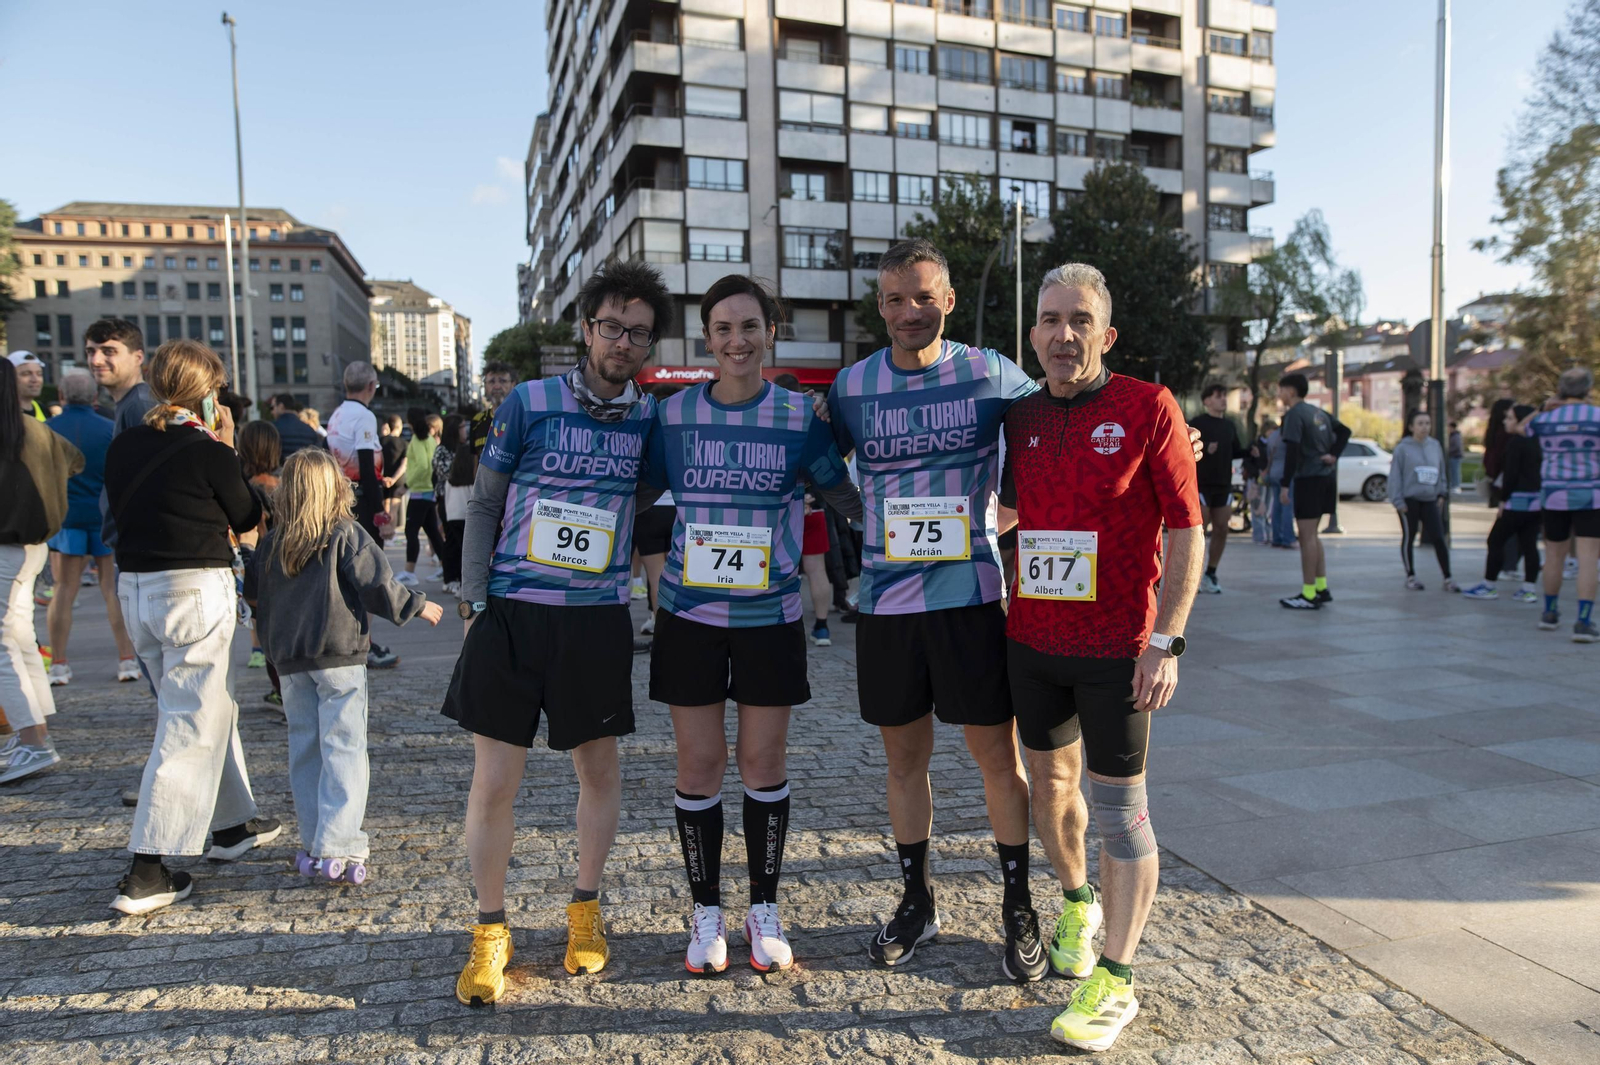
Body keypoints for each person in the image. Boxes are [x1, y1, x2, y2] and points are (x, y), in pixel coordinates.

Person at [823, 240, 1199, 976]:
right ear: (879, 305)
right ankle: (917, 899)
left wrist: (1178, 439)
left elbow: (1076, 399)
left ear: (950, 300)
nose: (910, 311)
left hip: (973, 603)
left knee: (1001, 761)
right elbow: (815, 457)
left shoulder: (995, 375)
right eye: (895, 299)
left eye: (924, 296)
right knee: (906, 761)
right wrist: (857, 515)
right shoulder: (851, 387)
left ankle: (1020, 902)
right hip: (890, 607)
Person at [445, 260, 671, 1005]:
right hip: (513, 612)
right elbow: (484, 504)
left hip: (595, 622)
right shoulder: (530, 404)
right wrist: (475, 601)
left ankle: (584, 909)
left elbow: (645, 515)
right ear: (586, 328)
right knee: (495, 783)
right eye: (612, 327)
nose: (623, 343)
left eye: (638, 333)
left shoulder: (648, 420)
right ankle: (490, 931)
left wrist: (656, 600)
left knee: (598, 774)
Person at [999, 263, 1203, 1051]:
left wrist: (1167, 640)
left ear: (1105, 333)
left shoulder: (1147, 406)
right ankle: (1079, 900)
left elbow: (1188, 526)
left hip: (1120, 650)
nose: (1062, 334)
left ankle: (1116, 978)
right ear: (1033, 334)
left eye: (1079, 320)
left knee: (1121, 814)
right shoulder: (1018, 418)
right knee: (1049, 788)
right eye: (1049, 319)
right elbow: (1012, 505)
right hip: (1032, 641)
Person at [643, 275, 861, 974]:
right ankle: (705, 908)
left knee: (764, 762)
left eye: (749, 326)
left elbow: (846, 495)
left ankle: (762, 906)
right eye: (723, 328)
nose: (736, 340)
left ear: (773, 330)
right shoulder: (672, 416)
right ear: (706, 338)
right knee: (699, 762)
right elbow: (629, 488)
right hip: (689, 614)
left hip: (770, 616)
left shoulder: (799, 417)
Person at [103, 339, 281, 913]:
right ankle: (148, 868)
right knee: (190, 721)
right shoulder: (208, 449)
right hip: (193, 591)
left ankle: (232, 825)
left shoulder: (124, 444)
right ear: (206, 390)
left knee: (203, 710)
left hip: (137, 590)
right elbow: (249, 517)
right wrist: (226, 448)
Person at [247, 448, 444, 884]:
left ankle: (315, 838)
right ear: (336, 487)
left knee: (305, 747)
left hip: (291, 661)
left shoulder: (272, 542)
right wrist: (417, 606)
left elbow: (255, 593)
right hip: (338, 654)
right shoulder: (344, 533)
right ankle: (341, 841)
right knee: (345, 747)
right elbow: (378, 583)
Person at [0, 358, 85, 783]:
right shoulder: (32, 428)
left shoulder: (13, 430)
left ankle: (33, 740)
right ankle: (37, 733)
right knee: (19, 637)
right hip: (35, 543)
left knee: (5, 644)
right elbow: (76, 461)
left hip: (8, 545)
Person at [42, 371, 139, 686]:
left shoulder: (47, 431)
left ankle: (59, 663)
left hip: (65, 518)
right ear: (95, 398)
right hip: (102, 517)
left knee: (63, 591)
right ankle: (126, 660)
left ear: (61, 397)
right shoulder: (109, 428)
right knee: (111, 590)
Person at [325, 363, 398, 668]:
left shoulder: (336, 415)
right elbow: (368, 468)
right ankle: (362, 643)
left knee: (343, 572)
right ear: (371, 386)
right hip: (362, 502)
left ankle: (350, 639)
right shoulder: (365, 416)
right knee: (367, 571)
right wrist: (381, 513)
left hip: (339, 500)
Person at [1525, 367, 1600, 641]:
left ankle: (1550, 612)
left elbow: (1520, 429)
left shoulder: (1546, 420)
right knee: (1588, 558)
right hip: (1591, 495)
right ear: (1588, 389)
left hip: (1554, 495)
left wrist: (1544, 407)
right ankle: (1583, 622)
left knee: (1554, 555)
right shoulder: (1597, 417)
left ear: (1561, 389)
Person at [1462, 404, 1542, 602]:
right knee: (1529, 544)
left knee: (1495, 541)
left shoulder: (1516, 442)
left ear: (1521, 421)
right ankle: (1529, 588)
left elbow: (1510, 475)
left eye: (1510, 418)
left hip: (1516, 502)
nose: (1505, 422)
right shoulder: (1538, 442)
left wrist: (1503, 500)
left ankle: (1489, 585)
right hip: (1536, 502)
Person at [1277, 373, 1340, 609]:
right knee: (1313, 535)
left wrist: (1285, 484)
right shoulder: (1317, 412)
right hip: (1325, 478)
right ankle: (1321, 588)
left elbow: (1292, 452)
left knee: (1306, 537)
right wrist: (1333, 454)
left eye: (1281, 390)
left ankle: (1308, 593)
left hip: (1308, 479)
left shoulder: (1294, 414)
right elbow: (1344, 431)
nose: (1279, 395)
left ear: (1291, 392)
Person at [1389, 410, 1458, 591]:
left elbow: (1442, 471)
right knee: (1409, 537)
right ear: (1411, 427)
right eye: (1420, 423)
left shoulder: (1435, 446)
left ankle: (1448, 578)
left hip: (1430, 499)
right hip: (1409, 500)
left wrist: (1442, 493)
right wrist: (1398, 501)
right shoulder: (1403, 449)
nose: (1424, 427)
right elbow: (1395, 477)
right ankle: (1411, 576)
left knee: (1438, 537)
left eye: (1427, 423)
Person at [237, 419, 283, 691]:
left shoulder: (243, 490)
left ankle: (280, 693)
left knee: (267, 639)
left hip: (258, 568)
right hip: (287, 567)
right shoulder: (285, 485)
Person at [1189, 383, 1242, 593]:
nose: (1223, 399)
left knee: (1222, 529)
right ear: (1207, 401)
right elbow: (1185, 452)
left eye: (1224, 396)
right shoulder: (1197, 423)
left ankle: (1211, 573)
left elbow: (1237, 451)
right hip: (1201, 485)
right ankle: (1193, 576)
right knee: (1198, 532)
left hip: (1223, 486)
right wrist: (1206, 449)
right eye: (1218, 396)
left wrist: (1254, 453)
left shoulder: (1229, 426)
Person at [398, 413, 445, 586]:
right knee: (432, 530)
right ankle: (444, 566)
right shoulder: (430, 440)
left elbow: (424, 465)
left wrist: (406, 485)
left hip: (419, 491)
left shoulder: (418, 440)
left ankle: (409, 572)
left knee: (411, 531)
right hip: (428, 490)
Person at [436, 413, 470, 597]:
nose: (466, 430)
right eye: (462, 427)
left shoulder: (465, 449)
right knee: (452, 542)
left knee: (460, 544)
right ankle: (451, 579)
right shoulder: (442, 450)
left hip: (457, 504)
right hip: (448, 502)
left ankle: (459, 579)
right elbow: (444, 473)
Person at [469, 361, 519, 459]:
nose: (497, 386)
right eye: (491, 381)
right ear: (485, 386)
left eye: (503, 381)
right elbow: (476, 461)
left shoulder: (521, 419)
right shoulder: (477, 421)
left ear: (513, 384)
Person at [268, 393, 323, 460]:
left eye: (272, 407)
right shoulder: (309, 430)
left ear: (281, 406)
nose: (271, 412)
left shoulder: (271, 429)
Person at [380, 414, 409, 536]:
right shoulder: (403, 443)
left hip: (383, 478)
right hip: (398, 479)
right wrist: (394, 478)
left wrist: (383, 478)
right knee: (394, 507)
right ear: (399, 426)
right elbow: (404, 465)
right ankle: (392, 533)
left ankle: (384, 532)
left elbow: (378, 461)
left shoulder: (381, 441)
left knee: (385, 507)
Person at [9, 351, 48, 421]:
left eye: (39, 374)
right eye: (26, 374)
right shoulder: (5, 412)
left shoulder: (43, 409)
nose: (35, 380)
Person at [1448, 421, 1464, 491]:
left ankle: (1456, 485)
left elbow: (1457, 446)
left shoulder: (1455, 436)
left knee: (1455, 471)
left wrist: (1449, 451)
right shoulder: (1453, 435)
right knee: (1453, 471)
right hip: (1454, 455)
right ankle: (1454, 485)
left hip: (1455, 455)